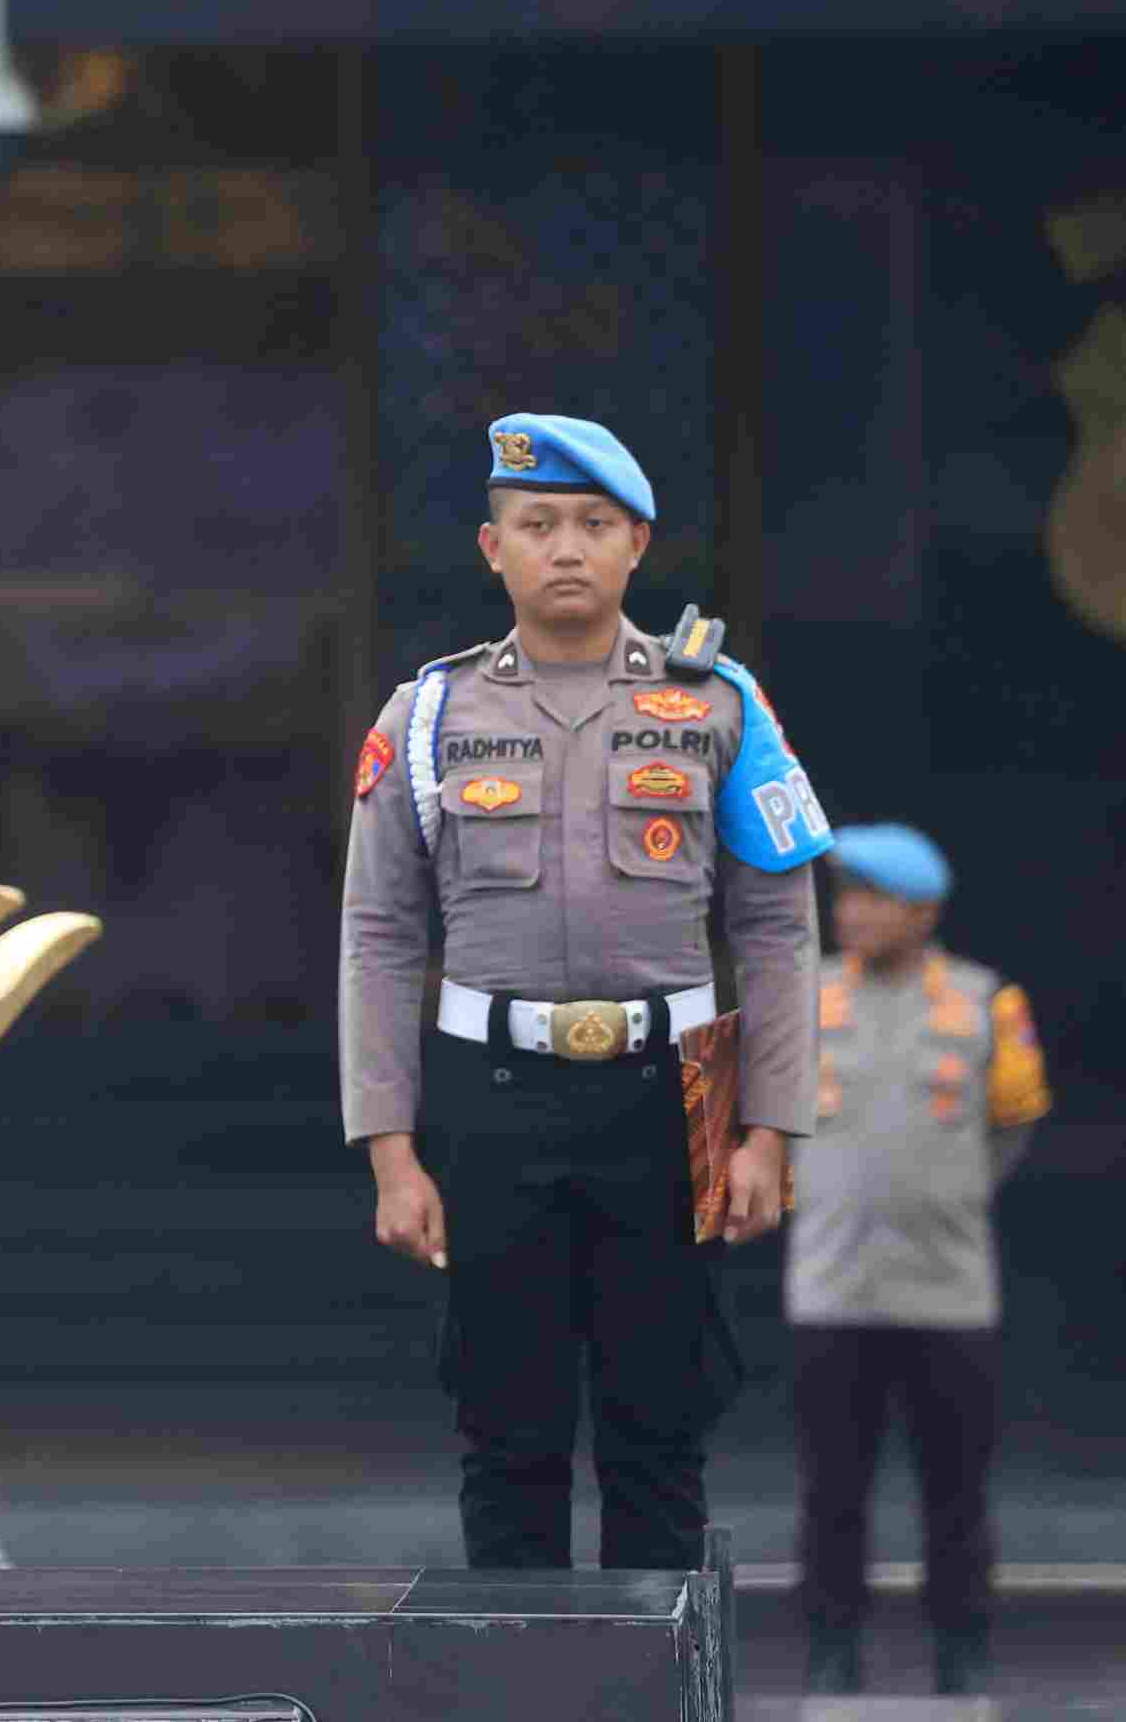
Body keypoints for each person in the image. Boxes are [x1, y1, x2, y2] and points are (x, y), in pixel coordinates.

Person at [338, 413, 831, 1570]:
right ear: (490, 547)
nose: (565, 546)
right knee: (503, 1427)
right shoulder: (425, 719)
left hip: (682, 1086)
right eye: (537, 523)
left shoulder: (721, 705)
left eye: (591, 525)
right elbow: (375, 933)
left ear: (635, 545)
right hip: (490, 1088)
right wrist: (388, 1150)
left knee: (662, 1426)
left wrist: (770, 1129)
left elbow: (774, 925)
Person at [788, 823, 1050, 1696]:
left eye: (871, 896)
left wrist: (951, 1191)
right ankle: (832, 1649)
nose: (850, 911)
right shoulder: (801, 998)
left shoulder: (986, 1002)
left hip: (950, 1291)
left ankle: (961, 1648)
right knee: (831, 1495)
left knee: (957, 1497)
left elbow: (1014, 1119)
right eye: (845, 895)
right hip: (832, 1289)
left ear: (924, 909)